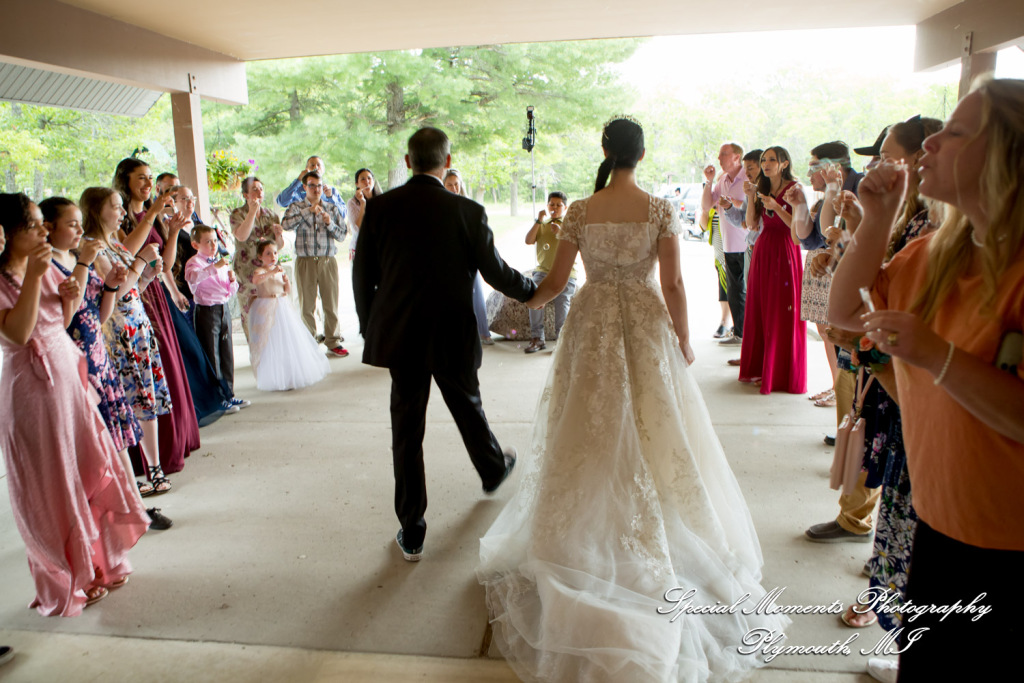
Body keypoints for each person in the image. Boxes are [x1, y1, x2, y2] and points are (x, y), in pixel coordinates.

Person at [477, 117, 788, 682]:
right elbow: (672, 283)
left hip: (592, 323)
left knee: (587, 423)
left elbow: (553, 282)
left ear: (605, 150)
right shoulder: (657, 209)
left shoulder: (578, 210)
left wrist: (517, 293)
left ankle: (582, 522)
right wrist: (685, 337)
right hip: (644, 323)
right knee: (655, 421)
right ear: (641, 155)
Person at [830, 78, 1024, 681]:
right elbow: (842, 313)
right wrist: (877, 219)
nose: (931, 141)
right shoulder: (935, 253)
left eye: (957, 131)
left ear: (1008, 157)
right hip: (939, 528)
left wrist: (936, 356)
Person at [353, 127, 536, 561]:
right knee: (467, 405)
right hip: (452, 332)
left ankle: (412, 532)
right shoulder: (467, 210)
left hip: (402, 336)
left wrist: (370, 326)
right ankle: (492, 469)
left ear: (407, 160)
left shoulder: (381, 209)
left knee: (406, 432)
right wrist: (532, 291)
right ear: (447, 161)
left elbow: (363, 276)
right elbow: (495, 272)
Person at [0, 193, 150, 616]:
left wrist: (69, 292)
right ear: (8, 233)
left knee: (86, 466)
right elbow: (17, 333)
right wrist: (34, 276)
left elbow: (63, 321)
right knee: (52, 482)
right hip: (30, 388)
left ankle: (100, 563)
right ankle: (66, 576)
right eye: (33, 225)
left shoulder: (43, 266)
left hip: (68, 373)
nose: (42, 231)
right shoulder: (14, 275)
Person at [40, 197, 172, 530]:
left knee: (115, 435)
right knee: (93, 441)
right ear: (48, 228)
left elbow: (99, 314)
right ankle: (105, 512)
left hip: (98, 351)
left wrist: (112, 285)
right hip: (74, 358)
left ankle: (135, 506)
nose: (79, 229)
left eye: (78, 222)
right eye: (71, 224)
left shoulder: (74, 258)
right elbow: (64, 318)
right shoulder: (52, 267)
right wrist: (85, 265)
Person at [79, 187, 174, 495]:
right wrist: (139, 262)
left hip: (137, 327)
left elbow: (132, 289)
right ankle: (145, 471)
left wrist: (147, 274)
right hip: (117, 334)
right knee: (131, 401)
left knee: (146, 394)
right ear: (97, 211)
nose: (122, 212)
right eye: (116, 207)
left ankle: (153, 466)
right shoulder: (91, 249)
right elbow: (115, 293)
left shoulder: (115, 243)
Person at [113, 158, 202, 473]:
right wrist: (151, 215)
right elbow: (123, 255)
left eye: (150, 177)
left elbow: (165, 263)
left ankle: (177, 437)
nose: (148, 183)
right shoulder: (123, 217)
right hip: (133, 297)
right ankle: (153, 454)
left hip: (157, 295)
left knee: (168, 366)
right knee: (149, 371)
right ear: (125, 181)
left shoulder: (155, 215)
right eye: (141, 178)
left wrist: (175, 232)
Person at [739, 146, 807, 394]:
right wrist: (751, 197)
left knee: (781, 310)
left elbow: (799, 230)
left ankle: (780, 372)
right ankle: (762, 367)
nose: (765, 164)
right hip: (763, 248)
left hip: (785, 250)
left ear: (784, 164)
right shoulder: (762, 187)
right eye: (763, 160)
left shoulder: (795, 189)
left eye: (771, 160)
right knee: (761, 308)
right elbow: (751, 223)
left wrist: (778, 208)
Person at [282, 170, 349, 357]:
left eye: (319, 185)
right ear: (305, 187)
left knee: (330, 303)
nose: (316, 189)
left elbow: (342, 235)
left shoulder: (332, 208)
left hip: (327, 260)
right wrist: (307, 212)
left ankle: (333, 340)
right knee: (306, 305)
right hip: (305, 261)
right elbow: (285, 225)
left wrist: (329, 223)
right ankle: (309, 342)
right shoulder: (296, 207)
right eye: (312, 185)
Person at [248, 240, 330, 391]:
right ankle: (273, 375)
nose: (273, 256)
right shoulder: (260, 271)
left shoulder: (281, 271)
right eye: (268, 253)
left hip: (282, 305)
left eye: (275, 252)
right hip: (267, 307)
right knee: (270, 340)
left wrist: (286, 282)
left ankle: (290, 373)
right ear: (260, 257)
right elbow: (256, 280)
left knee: (287, 339)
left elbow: (287, 290)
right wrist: (272, 272)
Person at [185, 224, 246, 409]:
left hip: (222, 308)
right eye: (208, 242)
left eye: (215, 241)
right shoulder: (194, 263)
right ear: (196, 245)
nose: (213, 245)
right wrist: (214, 267)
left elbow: (228, 290)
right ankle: (218, 398)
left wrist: (233, 280)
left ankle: (229, 393)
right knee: (213, 354)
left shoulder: (219, 261)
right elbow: (193, 279)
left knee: (226, 352)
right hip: (207, 311)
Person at [701, 143, 748, 345]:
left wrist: (733, 203)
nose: (719, 158)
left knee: (747, 291)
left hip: (747, 243)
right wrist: (709, 182)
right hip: (727, 244)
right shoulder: (723, 181)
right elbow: (706, 205)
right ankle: (738, 332)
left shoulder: (748, 177)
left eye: (724, 154)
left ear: (737, 157)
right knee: (734, 291)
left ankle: (748, 334)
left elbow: (750, 206)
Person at [444, 169, 494, 345]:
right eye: (450, 184)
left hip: (468, 254)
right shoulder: (442, 205)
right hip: (449, 257)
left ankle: (483, 332)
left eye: (456, 184)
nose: (454, 187)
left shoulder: (468, 205)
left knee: (476, 292)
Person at [230, 176, 285, 340]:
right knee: (252, 315)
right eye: (254, 189)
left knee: (273, 314)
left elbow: (278, 246)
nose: (259, 192)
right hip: (248, 275)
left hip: (269, 274)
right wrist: (252, 213)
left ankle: (274, 352)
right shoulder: (237, 214)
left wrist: (278, 235)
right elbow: (241, 236)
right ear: (245, 195)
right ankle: (257, 355)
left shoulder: (271, 215)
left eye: (261, 188)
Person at [523, 191, 577, 354]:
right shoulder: (542, 224)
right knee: (534, 297)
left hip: (566, 271)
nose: (554, 208)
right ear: (547, 206)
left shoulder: (570, 225)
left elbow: (577, 245)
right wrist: (538, 221)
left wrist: (560, 232)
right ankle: (537, 338)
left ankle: (562, 341)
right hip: (543, 272)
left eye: (558, 205)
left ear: (565, 207)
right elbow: (528, 241)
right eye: (551, 204)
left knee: (563, 302)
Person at [275, 155, 346, 212]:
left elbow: (342, 214)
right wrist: (298, 179)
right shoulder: (298, 191)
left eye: (319, 165)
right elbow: (281, 202)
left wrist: (330, 198)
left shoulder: (331, 191)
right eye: (312, 165)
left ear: (323, 170)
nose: (316, 167)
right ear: (306, 169)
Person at [347, 167, 382, 261]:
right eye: (363, 179)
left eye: (369, 178)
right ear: (357, 184)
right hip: (360, 248)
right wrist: (362, 204)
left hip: (380, 247)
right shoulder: (352, 203)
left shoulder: (382, 200)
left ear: (373, 181)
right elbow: (357, 228)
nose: (367, 182)